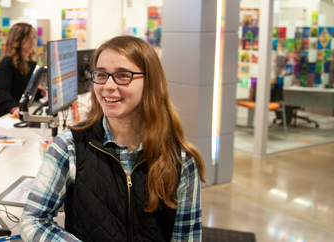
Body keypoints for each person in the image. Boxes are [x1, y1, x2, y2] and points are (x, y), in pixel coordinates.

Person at [21, 35, 207, 242]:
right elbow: (34, 219)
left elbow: (186, 238)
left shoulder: (180, 159)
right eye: (101, 75)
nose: (108, 86)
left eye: (123, 75)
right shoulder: (70, 146)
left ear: (150, 82)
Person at [0, 22, 42, 119]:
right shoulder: (7, 62)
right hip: (6, 115)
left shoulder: (30, 63)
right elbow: (2, 94)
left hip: (22, 114)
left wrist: (43, 93)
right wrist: (14, 108)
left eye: (33, 38)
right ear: (17, 40)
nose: (32, 42)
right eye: (28, 38)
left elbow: (28, 90)